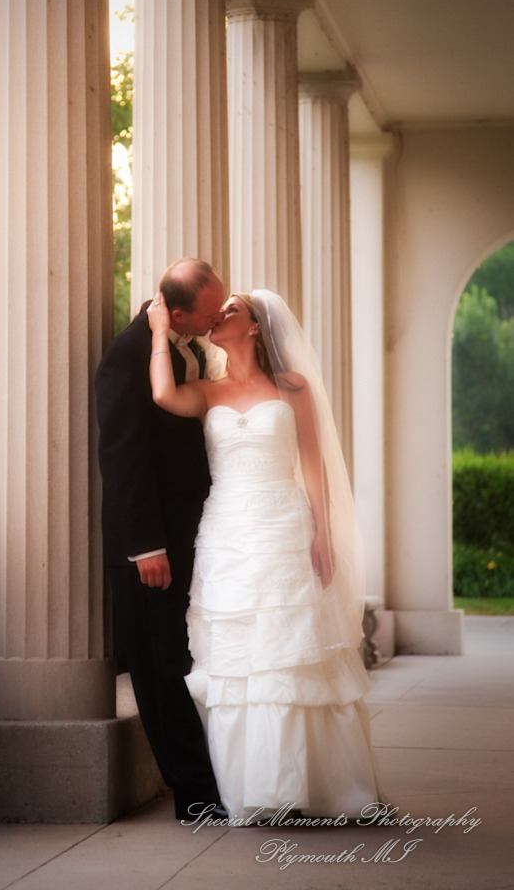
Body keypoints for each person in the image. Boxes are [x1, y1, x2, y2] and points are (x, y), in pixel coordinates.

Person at [147, 288, 385, 820]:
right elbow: (163, 395)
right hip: (227, 531)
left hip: (283, 524)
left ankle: (316, 787)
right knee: (237, 657)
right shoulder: (205, 391)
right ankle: (256, 789)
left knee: (292, 652)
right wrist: (161, 330)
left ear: (255, 327)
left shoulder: (292, 387)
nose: (219, 316)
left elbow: (314, 464)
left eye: (231, 309)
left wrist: (323, 533)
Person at [95, 258, 226, 820]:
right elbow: (122, 456)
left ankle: (210, 781)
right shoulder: (129, 353)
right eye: (209, 309)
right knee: (160, 668)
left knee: (183, 660)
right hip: (152, 550)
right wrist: (145, 545)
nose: (218, 315)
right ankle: (194, 797)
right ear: (175, 313)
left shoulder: (186, 349)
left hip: (192, 538)